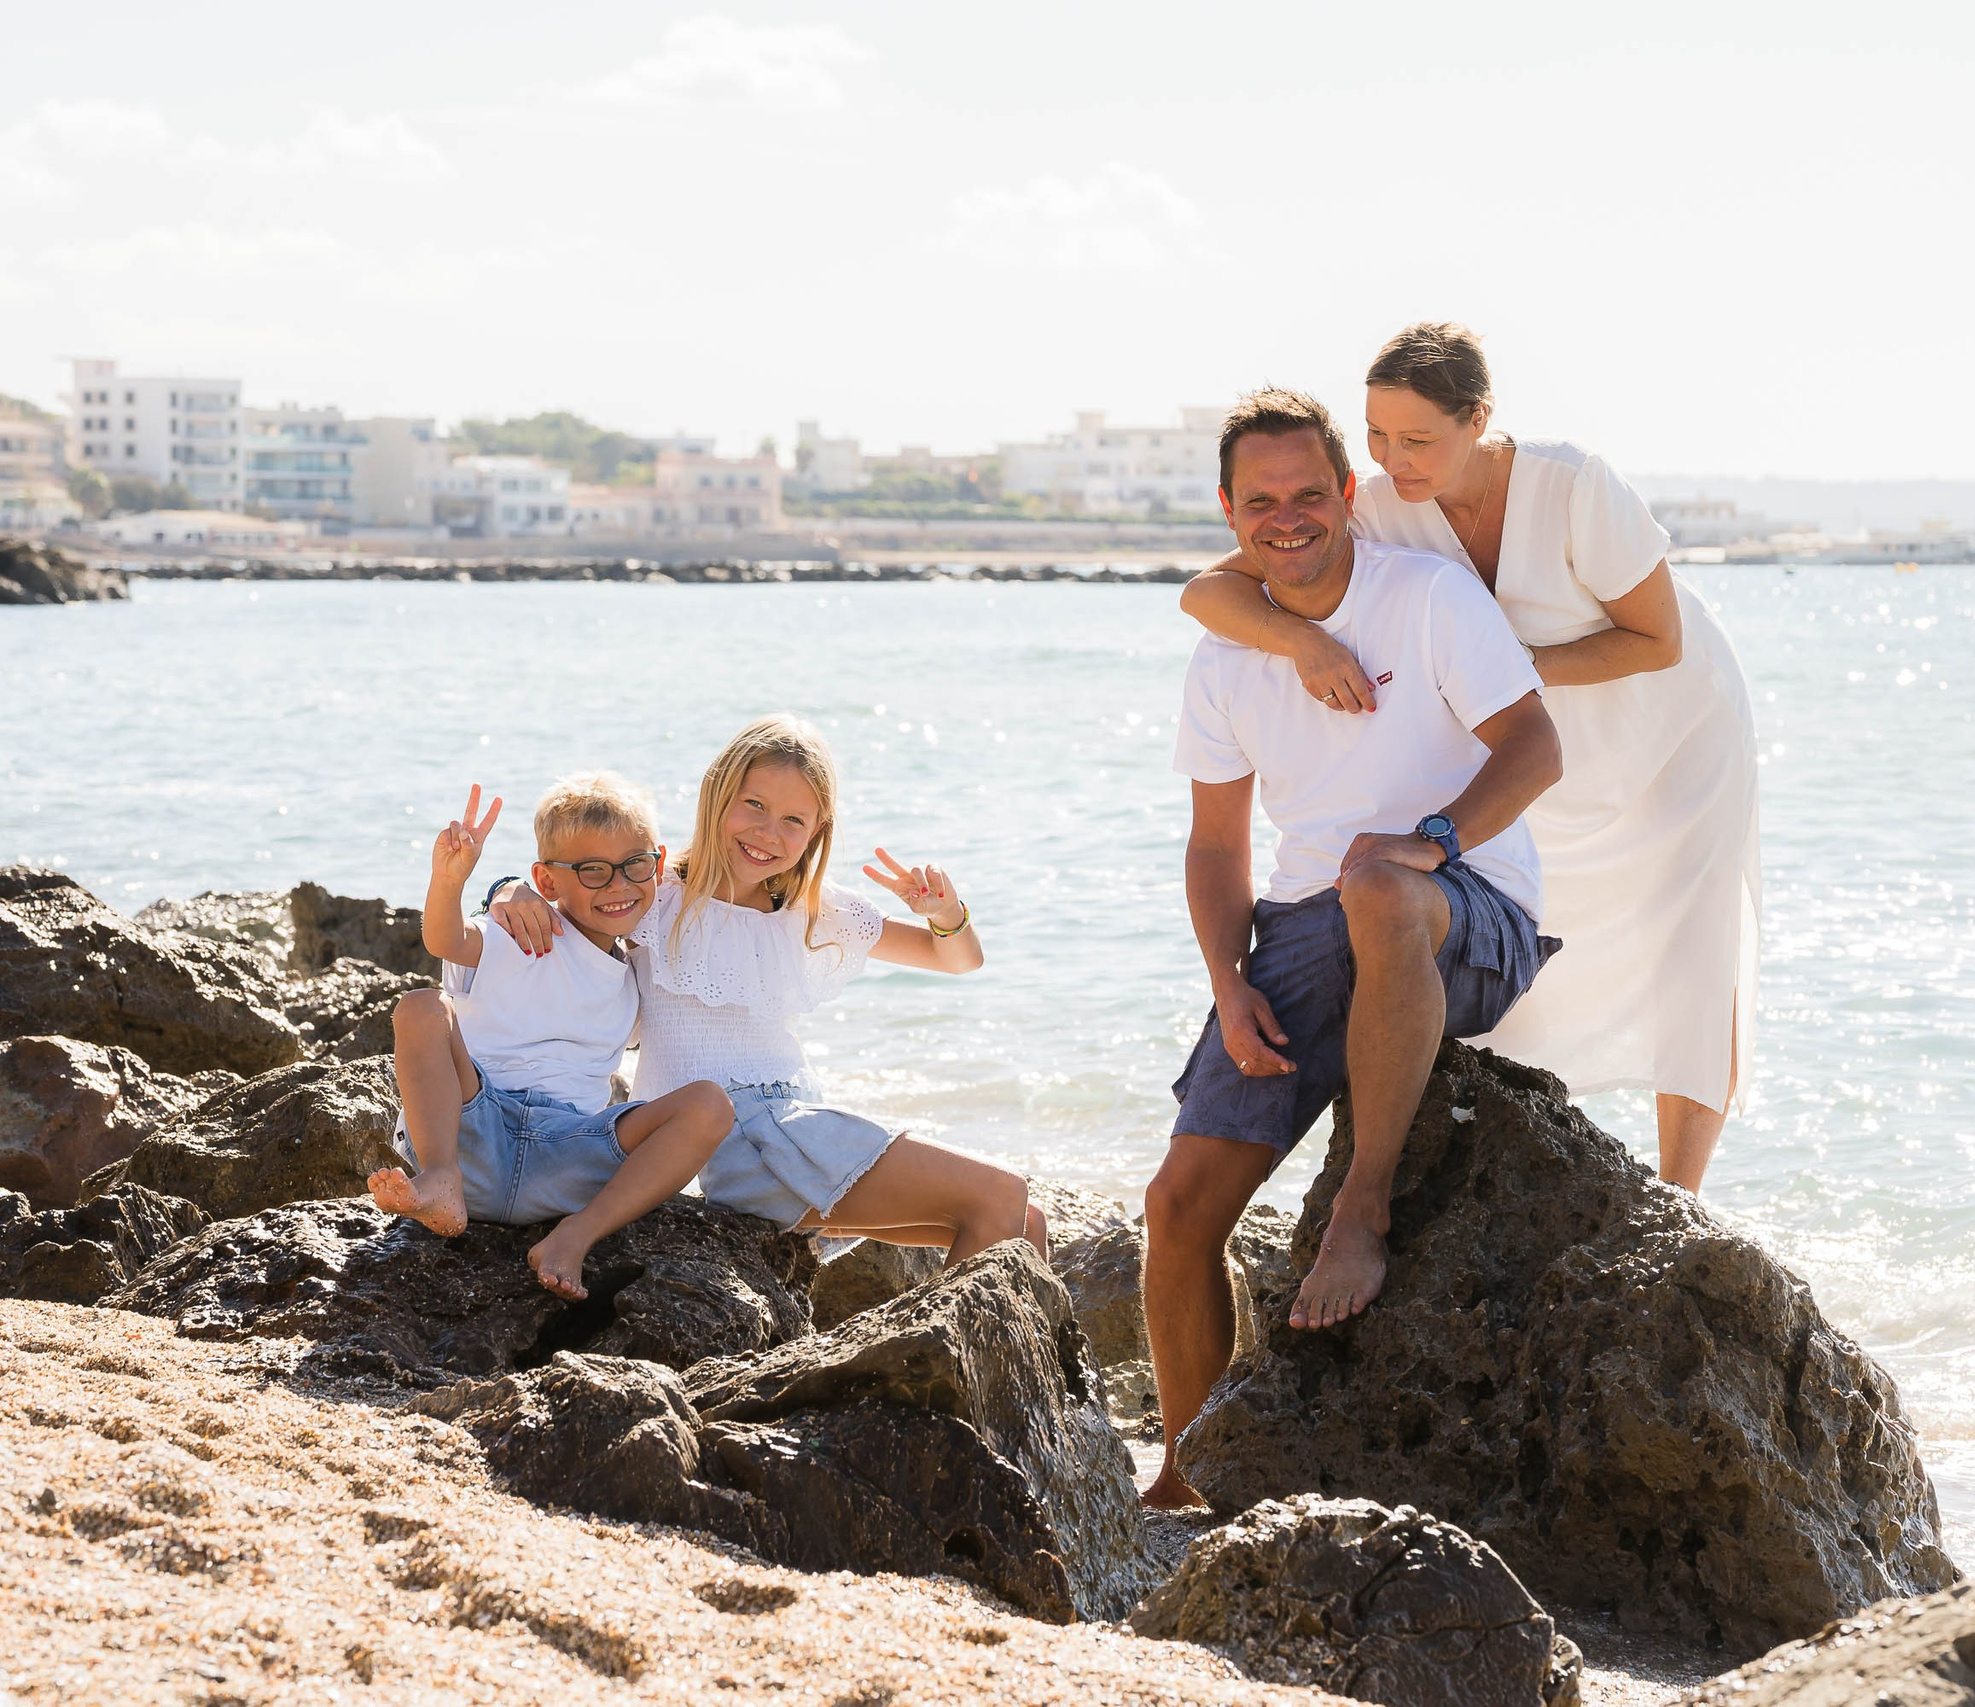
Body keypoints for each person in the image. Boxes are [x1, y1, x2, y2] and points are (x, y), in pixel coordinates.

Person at [1178, 322, 1762, 1191]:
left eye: (1418, 439)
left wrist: (1498, 663)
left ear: (1479, 418)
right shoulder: (1376, 500)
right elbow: (1208, 591)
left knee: (1691, 946)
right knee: (1500, 916)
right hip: (1535, 739)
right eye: (1377, 436)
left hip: (1673, 730)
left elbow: (1659, 637)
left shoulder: (1573, 485)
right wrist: (1298, 641)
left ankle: (1684, 1195)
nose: (1394, 459)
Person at [1142, 389, 1563, 1509]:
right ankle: (1189, 1475)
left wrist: (1434, 842)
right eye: (1263, 500)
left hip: (1460, 903)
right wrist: (1228, 986)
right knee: (1177, 1209)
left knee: (1373, 880)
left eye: (1311, 494)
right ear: (1230, 510)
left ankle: (1360, 1212)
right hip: (1298, 930)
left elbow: (1535, 747)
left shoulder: (1425, 597)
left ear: (1347, 496)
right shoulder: (1227, 658)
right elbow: (1216, 847)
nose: (1289, 518)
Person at [485, 715, 1044, 1264]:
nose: (768, 833)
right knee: (1001, 1196)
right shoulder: (658, 894)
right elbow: (573, 891)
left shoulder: (815, 914)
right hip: (724, 1143)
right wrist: (506, 889)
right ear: (716, 796)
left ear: (816, 832)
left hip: (792, 1125)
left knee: (1026, 1221)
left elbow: (958, 960)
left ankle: (974, 1353)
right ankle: (937, 1353)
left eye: (794, 820)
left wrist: (946, 913)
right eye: (754, 805)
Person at [367, 774, 739, 1301]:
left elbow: (716, 877)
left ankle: (577, 1234)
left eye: (635, 865)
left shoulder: (636, 975)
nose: (618, 886)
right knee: (421, 1007)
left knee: (710, 1106)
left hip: (567, 1154)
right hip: (474, 1125)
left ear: (656, 863)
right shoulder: (521, 929)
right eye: (592, 871)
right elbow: (444, 937)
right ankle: (440, 1180)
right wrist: (452, 881)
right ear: (547, 881)